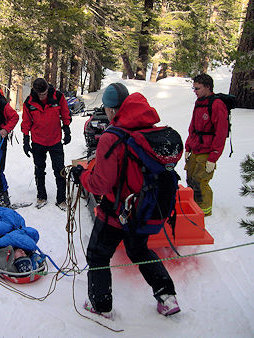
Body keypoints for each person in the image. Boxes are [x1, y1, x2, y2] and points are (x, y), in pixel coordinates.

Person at [71, 83, 180, 318]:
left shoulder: (112, 136)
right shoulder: (148, 128)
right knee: (139, 250)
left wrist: (81, 176)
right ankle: (167, 296)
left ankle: (100, 306)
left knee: (98, 254)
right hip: (144, 206)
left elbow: (101, 183)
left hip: (117, 209)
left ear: (111, 109)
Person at [21, 78, 72, 210]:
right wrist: (25, 140)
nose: (43, 96)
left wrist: (67, 130)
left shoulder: (58, 96)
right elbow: (26, 122)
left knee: (60, 170)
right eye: (41, 94)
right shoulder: (29, 102)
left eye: (45, 93)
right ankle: (41, 196)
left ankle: (61, 199)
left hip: (55, 140)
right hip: (38, 141)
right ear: (36, 92)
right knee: (39, 170)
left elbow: (65, 113)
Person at [184, 73, 228, 216]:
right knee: (190, 177)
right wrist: (188, 147)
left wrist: (213, 157)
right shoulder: (199, 103)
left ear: (208, 87)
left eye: (197, 88)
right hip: (196, 148)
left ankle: (204, 212)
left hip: (207, 150)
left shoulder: (217, 105)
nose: (195, 92)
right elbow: (193, 128)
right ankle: (193, 206)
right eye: (194, 89)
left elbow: (221, 133)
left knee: (200, 180)